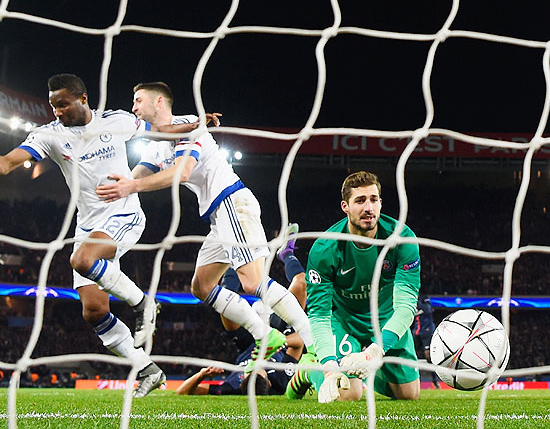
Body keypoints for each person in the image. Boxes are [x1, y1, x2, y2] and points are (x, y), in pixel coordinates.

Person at [0, 74, 208, 397]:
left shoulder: (116, 121)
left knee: (82, 259)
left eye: (63, 104)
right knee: (93, 311)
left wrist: (196, 125)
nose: (57, 111)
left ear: (82, 100)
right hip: (88, 224)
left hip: (124, 214)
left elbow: (160, 132)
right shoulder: (49, 136)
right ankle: (147, 369)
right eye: (53, 105)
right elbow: (8, 164)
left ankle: (143, 304)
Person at [97, 82, 314, 372]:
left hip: (232, 203)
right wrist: (114, 188)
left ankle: (316, 345)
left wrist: (131, 186)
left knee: (252, 282)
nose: (133, 107)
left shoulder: (187, 124)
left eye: (138, 100)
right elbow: (137, 176)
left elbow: (182, 171)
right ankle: (267, 336)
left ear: (159, 101)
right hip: (217, 216)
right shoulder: (155, 143)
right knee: (202, 286)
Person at [287, 171, 421, 403]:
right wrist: (329, 365)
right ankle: (308, 370)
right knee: (349, 393)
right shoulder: (324, 249)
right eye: (360, 201)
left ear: (380, 202)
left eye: (373, 199)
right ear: (345, 206)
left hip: (386, 320)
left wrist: (375, 351)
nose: (368, 207)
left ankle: (365, 369)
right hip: (345, 320)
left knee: (409, 395)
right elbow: (319, 315)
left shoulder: (402, 239)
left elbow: (407, 306)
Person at [175, 332, 305, 396]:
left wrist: (202, 374)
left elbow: (182, 392)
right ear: (269, 382)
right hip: (277, 334)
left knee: (227, 315)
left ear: (243, 379)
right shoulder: (281, 382)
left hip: (247, 342)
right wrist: (279, 342)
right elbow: (299, 341)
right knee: (298, 287)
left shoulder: (232, 387)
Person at [412, 293, 440, 389]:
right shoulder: (410, 303)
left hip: (427, 331)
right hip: (417, 332)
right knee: (414, 356)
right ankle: (417, 381)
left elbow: (428, 310)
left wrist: (416, 302)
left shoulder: (424, 298)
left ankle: (435, 380)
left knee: (429, 357)